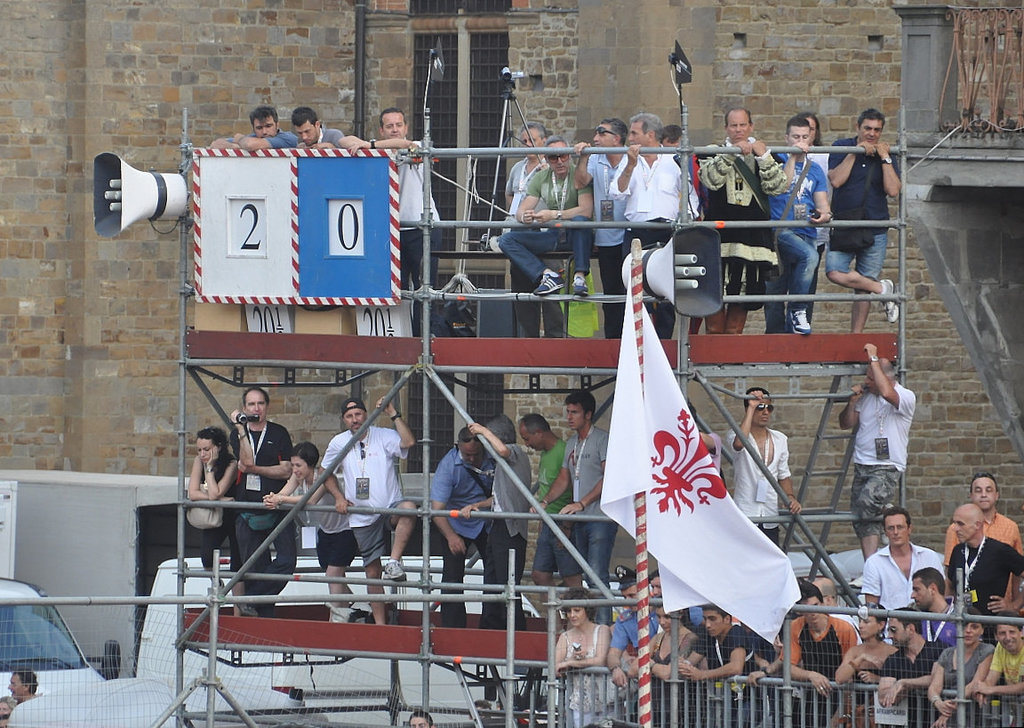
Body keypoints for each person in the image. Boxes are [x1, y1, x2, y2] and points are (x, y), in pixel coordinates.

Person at [321, 395, 417, 625]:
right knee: (372, 573)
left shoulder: (383, 434)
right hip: (361, 514)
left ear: (365, 414)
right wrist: (339, 497)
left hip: (389, 505)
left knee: (409, 508)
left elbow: (409, 442)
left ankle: (394, 561)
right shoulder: (339, 442)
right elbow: (325, 473)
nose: (355, 420)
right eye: (350, 416)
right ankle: (381, 625)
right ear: (344, 420)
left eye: (358, 414)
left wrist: (393, 414)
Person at [610, 112, 701, 339]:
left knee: (666, 291)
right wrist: (630, 166)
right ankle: (639, 342)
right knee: (635, 288)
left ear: (650, 135)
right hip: (637, 231)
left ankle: (664, 344)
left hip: (666, 229)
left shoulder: (673, 160)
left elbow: (690, 198)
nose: (629, 138)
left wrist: (685, 222)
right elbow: (617, 193)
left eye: (633, 133)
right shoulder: (627, 159)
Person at [698, 107, 788, 335]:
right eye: (733, 125)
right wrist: (732, 154)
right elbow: (711, 181)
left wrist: (763, 157)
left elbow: (777, 187)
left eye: (742, 125)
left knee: (738, 315)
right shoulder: (711, 152)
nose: (738, 130)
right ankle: (712, 362)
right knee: (713, 308)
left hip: (752, 240)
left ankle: (728, 364)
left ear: (751, 126)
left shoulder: (765, 153)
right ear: (726, 128)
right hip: (719, 238)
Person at [535, 390, 615, 624]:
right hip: (580, 520)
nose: (569, 417)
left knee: (597, 574)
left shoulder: (602, 439)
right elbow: (563, 479)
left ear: (588, 414)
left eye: (575, 412)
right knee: (579, 576)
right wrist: (545, 501)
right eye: (568, 412)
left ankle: (603, 629)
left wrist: (582, 502)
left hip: (600, 518)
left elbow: (608, 476)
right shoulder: (571, 442)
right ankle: (586, 626)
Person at [264, 441, 359, 623]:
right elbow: (285, 492)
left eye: (298, 465)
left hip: (344, 531)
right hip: (325, 531)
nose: (295, 469)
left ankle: (336, 619)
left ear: (310, 465)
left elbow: (310, 500)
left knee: (332, 574)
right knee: (334, 574)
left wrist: (281, 498)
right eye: (292, 465)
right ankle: (349, 603)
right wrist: (273, 498)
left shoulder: (322, 479)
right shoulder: (297, 476)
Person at [826, 108, 902, 332]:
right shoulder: (842, 146)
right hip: (845, 224)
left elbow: (894, 190)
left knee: (863, 286)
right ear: (858, 128)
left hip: (875, 226)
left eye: (877, 130)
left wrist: (886, 158)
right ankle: (882, 289)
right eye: (867, 128)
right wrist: (854, 153)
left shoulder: (887, 153)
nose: (872, 133)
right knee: (834, 271)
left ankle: (856, 336)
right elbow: (836, 180)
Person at [837, 343, 916, 558]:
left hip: (887, 464)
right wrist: (852, 403)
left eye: (871, 378)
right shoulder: (867, 397)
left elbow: (887, 393)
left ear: (885, 376)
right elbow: (846, 423)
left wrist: (873, 358)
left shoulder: (905, 396)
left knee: (868, 502)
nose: (866, 382)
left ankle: (889, 514)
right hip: (863, 463)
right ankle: (871, 564)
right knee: (862, 518)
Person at [498, 135, 595, 299]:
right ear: (547, 160)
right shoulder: (541, 177)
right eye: (553, 157)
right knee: (506, 240)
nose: (559, 161)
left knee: (580, 222)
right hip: (554, 235)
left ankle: (579, 276)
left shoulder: (577, 174)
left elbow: (586, 211)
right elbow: (521, 210)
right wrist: (525, 217)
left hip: (577, 235)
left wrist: (555, 214)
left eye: (563, 155)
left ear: (569, 155)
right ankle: (548, 275)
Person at [749, 580, 857, 726]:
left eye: (815, 606)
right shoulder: (796, 626)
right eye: (807, 608)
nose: (813, 612)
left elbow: (849, 674)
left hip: (841, 693)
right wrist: (811, 675)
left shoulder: (843, 628)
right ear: (800, 610)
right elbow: (788, 665)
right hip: (811, 695)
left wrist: (841, 715)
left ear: (823, 603)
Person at [375, 107, 443, 338]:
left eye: (398, 125)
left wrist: (371, 145)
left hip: (421, 228)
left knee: (426, 288)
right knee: (399, 290)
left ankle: (426, 338)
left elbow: (411, 147)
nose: (395, 129)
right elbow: (346, 141)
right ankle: (404, 337)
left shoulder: (417, 148)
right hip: (393, 230)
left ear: (405, 128)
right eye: (389, 126)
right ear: (381, 130)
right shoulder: (377, 154)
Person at [228, 386, 295, 617]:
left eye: (260, 404)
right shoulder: (237, 433)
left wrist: (254, 469)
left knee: (286, 562)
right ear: (244, 408)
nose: (256, 409)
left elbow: (286, 470)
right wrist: (241, 429)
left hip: (277, 505)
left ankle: (250, 598)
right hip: (248, 510)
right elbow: (244, 460)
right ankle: (262, 615)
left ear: (266, 406)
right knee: (257, 567)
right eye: (251, 405)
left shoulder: (279, 433)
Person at [764, 115, 832, 335]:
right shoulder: (776, 161)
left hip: (807, 230)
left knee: (802, 279)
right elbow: (781, 187)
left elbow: (823, 204)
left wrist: (824, 215)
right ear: (787, 138)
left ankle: (794, 335)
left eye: (804, 137)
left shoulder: (815, 170)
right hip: (781, 229)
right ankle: (794, 315)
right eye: (795, 137)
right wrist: (792, 159)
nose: (800, 141)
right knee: (775, 290)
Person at [467, 415, 532, 631]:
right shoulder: (504, 464)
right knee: (492, 579)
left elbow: (503, 450)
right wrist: (479, 504)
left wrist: (484, 431)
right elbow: (501, 496)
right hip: (499, 524)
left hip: (509, 528)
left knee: (508, 582)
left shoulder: (515, 453)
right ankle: (491, 625)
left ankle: (514, 629)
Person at [428, 426, 497, 628]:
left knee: (494, 575)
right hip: (456, 523)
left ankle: (491, 625)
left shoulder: (493, 459)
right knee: (451, 576)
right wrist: (451, 537)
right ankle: (453, 627)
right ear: (458, 447)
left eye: (476, 454)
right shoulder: (448, 466)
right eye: (467, 454)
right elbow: (437, 510)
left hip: (486, 522)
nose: (472, 459)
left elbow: (505, 494)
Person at [573, 118, 629, 339]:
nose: (595, 138)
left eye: (601, 133)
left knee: (633, 294)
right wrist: (583, 159)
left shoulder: (632, 159)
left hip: (630, 235)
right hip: (606, 238)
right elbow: (580, 182)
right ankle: (613, 345)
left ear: (616, 139)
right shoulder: (595, 158)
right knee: (611, 295)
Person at [505, 123, 562, 338]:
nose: (527, 145)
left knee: (551, 297)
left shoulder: (550, 168)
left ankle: (555, 339)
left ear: (543, 142)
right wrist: (517, 213)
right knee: (521, 289)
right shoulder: (517, 168)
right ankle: (527, 338)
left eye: (532, 140)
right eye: (525, 141)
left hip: (543, 232)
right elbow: (509, 193)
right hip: (519, 233)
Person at [728, 386, 800, 546]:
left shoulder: (780, 439)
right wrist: (751, 406)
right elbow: (739, 444)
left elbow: (783, 474)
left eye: (769, 407)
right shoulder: (735, 434)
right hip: (746, 512)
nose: (765, 412)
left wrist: (790, 497)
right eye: (760, 407)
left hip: (769, 513)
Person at [943, 471, 1023, 606]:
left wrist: (1014, 605)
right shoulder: (957, 540)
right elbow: (950, 578)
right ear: (971, 495)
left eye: (989, 490)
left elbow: (1017, 571)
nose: (984, 495)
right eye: (978, 490)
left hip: (996, 612)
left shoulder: (1009, 529)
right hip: (965, 611)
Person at [524, 414, 579, 589]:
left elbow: (572, 488)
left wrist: (568, 526)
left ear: (539, 433)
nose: (527, 444)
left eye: (527, 438)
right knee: (539, 575)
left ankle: (581, 613)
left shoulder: (562, 451)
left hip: (562, 521)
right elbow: (545, 490)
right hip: (548, 521)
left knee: (571, 578)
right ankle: (557, 616)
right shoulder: (546, 454)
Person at [947, 502, 1024, 616]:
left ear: (977, 525)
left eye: (960, 524)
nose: (956, 529)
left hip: (991, 623)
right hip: (963, 623)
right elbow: (950, 585)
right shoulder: (958, 551)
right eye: (954, 523)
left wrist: (1014, 605)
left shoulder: (1000, 550)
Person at [860, 506, 943, 610]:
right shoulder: (874, 562)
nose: (895, 532)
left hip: (927, 622)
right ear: (885, 532)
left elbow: (941, 594)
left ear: (909, 529)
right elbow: (872, 606)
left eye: (900, 527)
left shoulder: (929, 556)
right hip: (891, 623)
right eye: (891, 528)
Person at [926, 607, 993, 728]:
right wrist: (938, 703)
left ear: (982, 630)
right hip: (947, 720)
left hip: (976, 719)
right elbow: (934, 686)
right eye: (964, 625)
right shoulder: (947, 653)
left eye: (974, 627)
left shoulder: (987, 650)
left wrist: (947, 712)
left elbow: (975, 683)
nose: (968, 631)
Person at [556, 587, 612, 728]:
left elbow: (600, 660)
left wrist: (571, 663)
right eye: (569, 611)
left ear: (587, 610)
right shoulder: (565, 637)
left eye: (577, 610)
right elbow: (556, 668)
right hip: (580, 701)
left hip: (606, 698)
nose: (572, 615)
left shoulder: (602, 630)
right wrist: (566, 665)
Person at [187, 426, 240, 573]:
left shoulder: (231, 464)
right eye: (199, 450)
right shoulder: (199, 461)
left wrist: (209, 469)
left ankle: (238, 594)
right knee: (207, 555)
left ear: (218, 447)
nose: (202, 454)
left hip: (232, 515)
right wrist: (219, 500)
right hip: (215, 512)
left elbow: (216, 493)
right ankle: (217, 587)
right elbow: (193, 493)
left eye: (206, 449)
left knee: (238, 560)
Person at [877, 609, 946, 711]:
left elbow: (936, 678)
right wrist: (907, 688)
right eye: (889, 631)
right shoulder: (893, 659)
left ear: (910, 629)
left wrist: (904, 683)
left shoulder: (938, 650)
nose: (890, 636)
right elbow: (883, 697)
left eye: (894, 630)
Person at [972, 612, 1024, 706]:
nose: (1008, 638)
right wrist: (982, 691)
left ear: (1021, 632)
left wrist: (991, 689)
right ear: (996, 636)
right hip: (1017, 712)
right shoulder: (1000, 647)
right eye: (1002, 633)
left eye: (1012, 632)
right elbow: (991, 678)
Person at [834, 613, 896, 685]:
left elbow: (901, 681)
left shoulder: (892, 652)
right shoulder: (854, 651)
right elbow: (839, 679)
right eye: (860, 621)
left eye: (866, 622)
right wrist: (860, 658)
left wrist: (878, 679)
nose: (860, 626)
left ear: (881, 625)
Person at [210, 105, 298, 150]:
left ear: (277, 125)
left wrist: (240, 140)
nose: (264, 132)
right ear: (253, 129)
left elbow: (249, 145)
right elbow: (215, 144)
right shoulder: (252, 138)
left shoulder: (287, 138)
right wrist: (235, 146)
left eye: (268, 126)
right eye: (259, 128)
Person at [910, 567, 957, 647]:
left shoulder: (960, 617)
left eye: (917, 590)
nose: (912, 596)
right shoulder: (914, 617)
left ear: (932, 589)